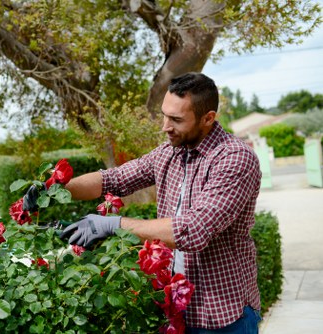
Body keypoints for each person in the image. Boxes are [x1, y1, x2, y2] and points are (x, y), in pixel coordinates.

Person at [49, 72, 262, 333]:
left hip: (222, 314)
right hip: (175, 309)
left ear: (208, 119)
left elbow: (193, 231)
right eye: (164, 115)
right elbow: (112, 179)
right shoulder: (170, 152)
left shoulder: (234, 158)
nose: (165, 126)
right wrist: (55, 190)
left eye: (176, 119)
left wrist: (113, 224)